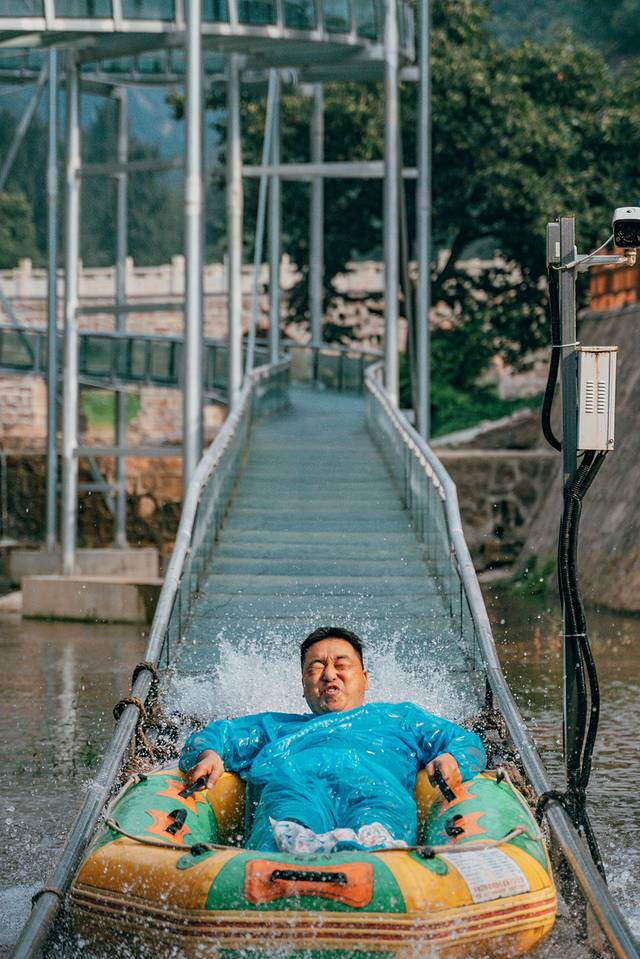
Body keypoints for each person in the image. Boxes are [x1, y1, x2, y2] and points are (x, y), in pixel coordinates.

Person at [179, 626, 486, 853]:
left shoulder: (401, 719)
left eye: (341, 665)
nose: (329, 675)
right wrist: (208, 754)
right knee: (289, 817)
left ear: (364, 678)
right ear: (304, 685)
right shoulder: (274, 727)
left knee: (376, 820)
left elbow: (466, 743)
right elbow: (216, 736)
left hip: (375, 797)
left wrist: (452, 758)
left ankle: (377, 857)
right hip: (295, 793)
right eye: (316, 668)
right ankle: (283, 862)